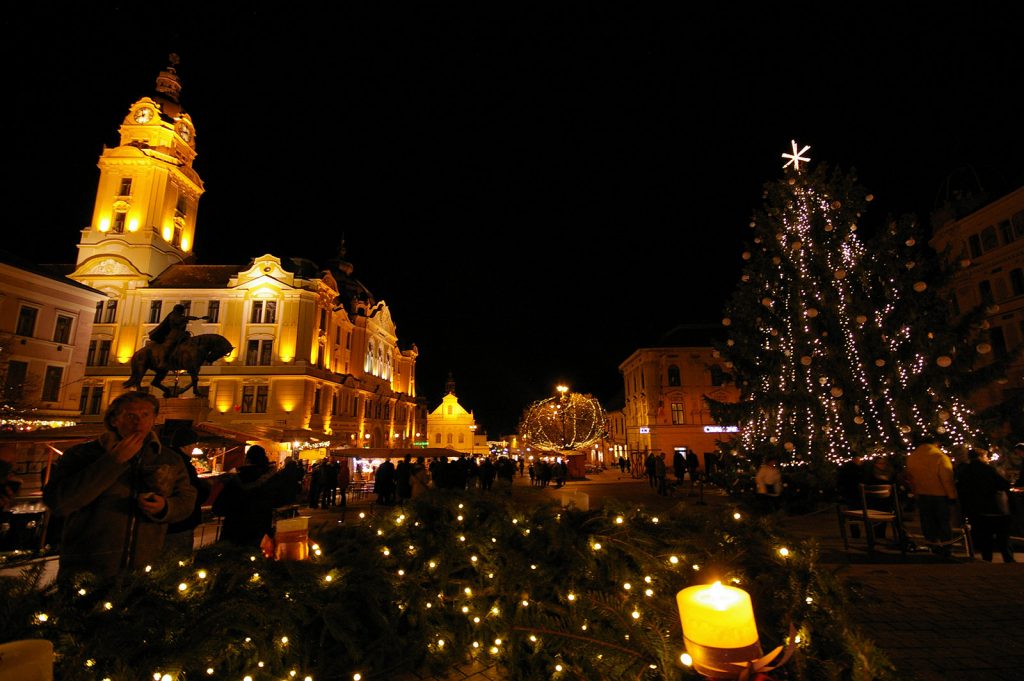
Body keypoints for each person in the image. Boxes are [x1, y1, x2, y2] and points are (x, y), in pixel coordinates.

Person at [43, 393, 196, 579]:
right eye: (130, 415)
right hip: (88, 572)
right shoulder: (82, 455)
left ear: (154, 419)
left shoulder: (168, 458)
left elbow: (186, 500)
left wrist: (164, 507)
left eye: (145, 415)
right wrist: (113, 462)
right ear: (114, 420)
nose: (138, 422)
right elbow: (60, 502)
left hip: (145, 571)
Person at [956, 448, 1015, 562]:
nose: (987, 459)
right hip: (994, 508)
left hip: (976, 510)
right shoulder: (988, 469)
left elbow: (961, 490)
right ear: (980, 457)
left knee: (985, 538)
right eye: (985, 456)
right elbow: (1003, 484)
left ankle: (986, 560)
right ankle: (1008, 560)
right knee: (1003, 537)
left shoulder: (965, 471)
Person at [213, 445, 278, 547]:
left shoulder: (238, 476)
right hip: (261, 526)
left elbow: (220, 505)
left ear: (247, 459)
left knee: (234, 553)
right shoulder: (272, 478)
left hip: (235, 526)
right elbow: (278, 499)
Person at [905, 434, 958, 556]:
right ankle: (946, 546)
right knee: (943, 522)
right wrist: (952, 496)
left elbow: (910, 478)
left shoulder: (912, 457)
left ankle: (932, 544)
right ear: (936, 444)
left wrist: (915, 492)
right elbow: (947, 479)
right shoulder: (940, 457)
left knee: (927, 522)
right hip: (940, 495)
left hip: (922, 494)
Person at [164, 428, 211, 558]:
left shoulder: (165, 459)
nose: (194, 449)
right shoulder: (183, 465)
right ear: (186, 445)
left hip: (166, 519)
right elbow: (194, 494)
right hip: (182, 521)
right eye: (193, 445)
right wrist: (207, 487)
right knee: (179, 558)